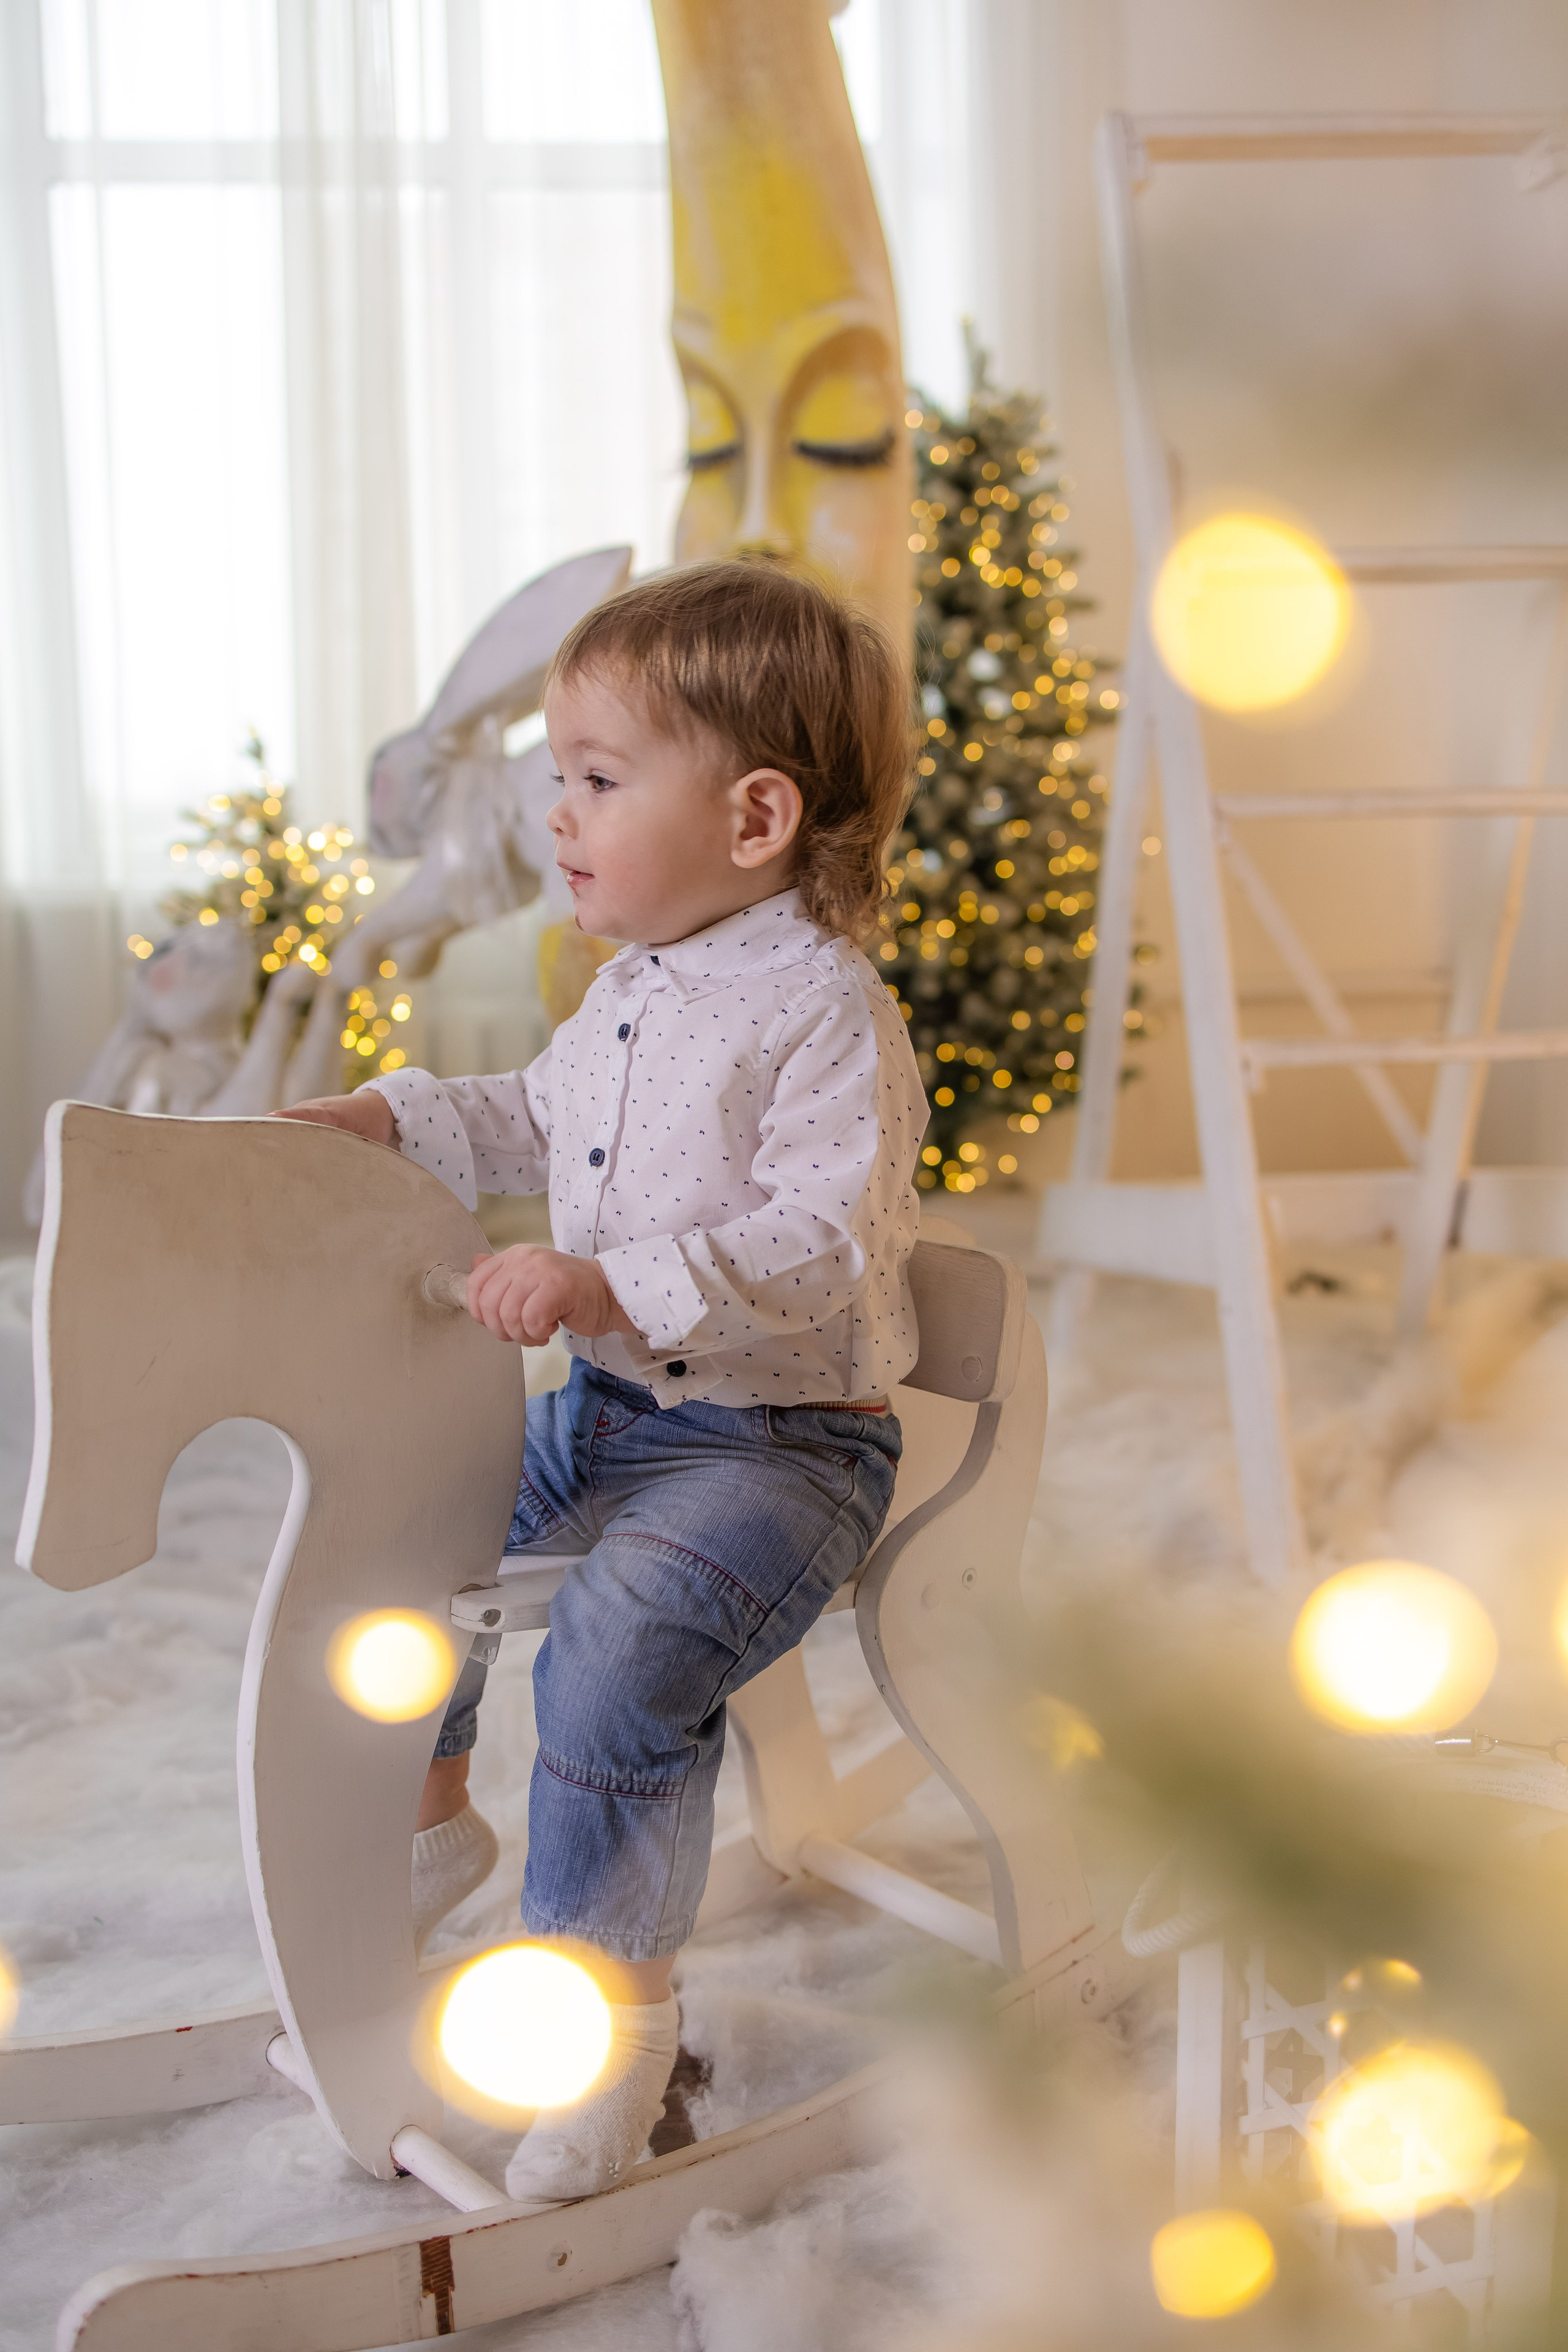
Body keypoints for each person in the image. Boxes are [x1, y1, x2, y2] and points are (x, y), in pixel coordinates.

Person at [277, 558, 925, 2204]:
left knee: (619, 1653)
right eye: (559, 775)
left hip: (780, 1447)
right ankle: (431, 1814)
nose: (554, 815)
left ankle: (604, 2027)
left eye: (598, 778)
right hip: (619, 1414)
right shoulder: (634, 988)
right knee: (406, 1520)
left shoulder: (825, 1012)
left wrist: (607, 1282)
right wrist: (397, 1116)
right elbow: (529, 1116)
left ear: (756, 817)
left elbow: (821, 1243)